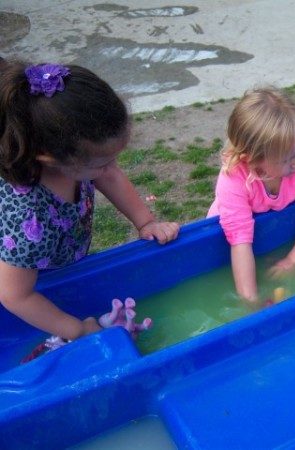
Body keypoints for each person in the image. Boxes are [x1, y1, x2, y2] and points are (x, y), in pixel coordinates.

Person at [0, 60, 180, 342]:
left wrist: (145, 222)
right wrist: (78, 330)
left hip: (60, 263)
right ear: (51, 159)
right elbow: (14, 295)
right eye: (103, 162)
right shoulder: (29, 218)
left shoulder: (73, 161)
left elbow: (108, 176)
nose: (111, 167)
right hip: (29, 282)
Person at [208, 88, 295, 302]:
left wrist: (293, 261)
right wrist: (250, 300)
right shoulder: (233, 180)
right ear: (254, 162)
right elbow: (240, 243)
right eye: (287, 158)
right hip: (228, 238)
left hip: (268, 230)